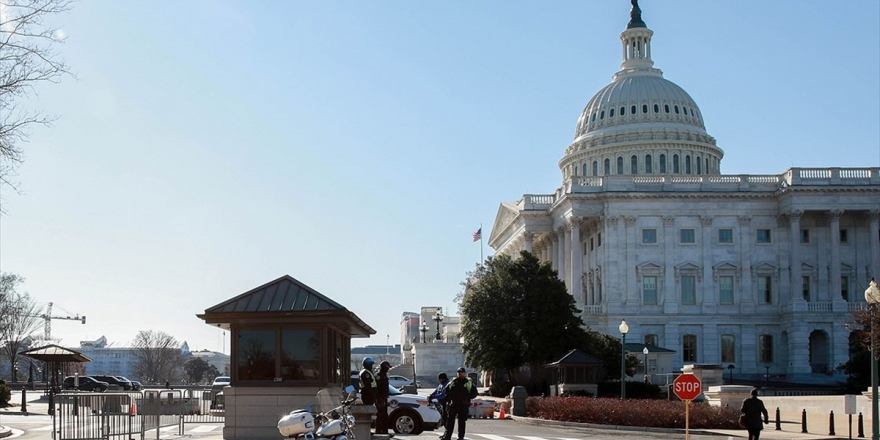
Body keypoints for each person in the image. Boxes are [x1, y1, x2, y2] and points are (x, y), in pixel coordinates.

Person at [442, 367, 478, 440]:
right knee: (450, 422)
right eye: (458, 372)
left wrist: (467, 397)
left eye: (461, 373)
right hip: (453, 404)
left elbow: (474, 393)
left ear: (464, 373)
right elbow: (446, 391)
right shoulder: (453, 382)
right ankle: (447, 436)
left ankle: (460, 437)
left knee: (461, 422)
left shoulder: (468, 382)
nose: (460, 374)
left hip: (463, 404)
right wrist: (448, 399)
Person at [375, 360, 391, 435]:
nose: (388, 369)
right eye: (387, 368)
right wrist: (379, 398)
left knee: (384, 415)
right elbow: (377, 388)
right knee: (380, 415)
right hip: (380, 398)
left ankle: (385, 432)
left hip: (384, 398)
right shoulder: (379, 376)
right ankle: (379, 431)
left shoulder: (384, 375)